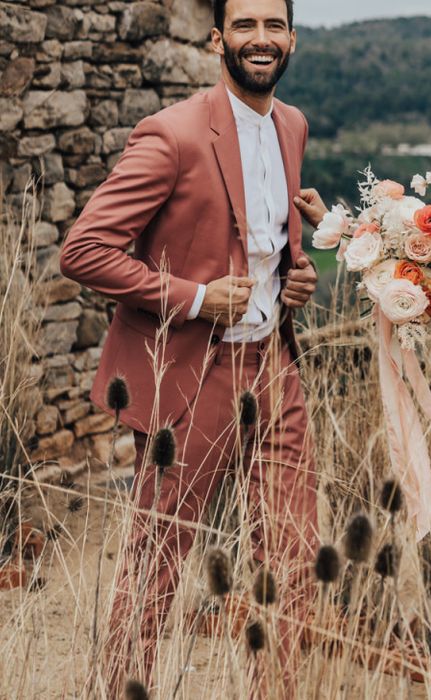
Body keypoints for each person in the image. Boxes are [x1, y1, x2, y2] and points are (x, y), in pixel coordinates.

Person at [59, 0, 328, 695]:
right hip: (195, 372)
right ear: (218, 39)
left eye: (274, 25)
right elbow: (83, 250)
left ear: (292, 38)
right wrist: (199, 298)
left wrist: (293, 277)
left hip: (273, 365)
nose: (260, 39)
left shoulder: (292, 125)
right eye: (245, 25)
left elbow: (263, 242)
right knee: (157, 563)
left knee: (294, 555)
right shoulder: (173, 135)